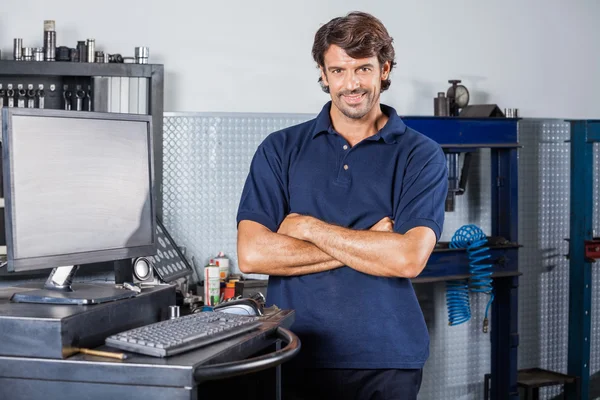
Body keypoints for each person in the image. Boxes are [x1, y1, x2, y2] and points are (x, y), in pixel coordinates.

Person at [236, 11, 447, 400]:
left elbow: (407, 259)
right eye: (338, 70)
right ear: (322, 73)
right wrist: (369, 242)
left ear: (384, 69)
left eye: (363, 69)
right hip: (294, 350)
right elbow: (252, 253)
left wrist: (307, 226)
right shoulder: (280, 149)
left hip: (388, 359)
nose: (351, 84)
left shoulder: (422, 155)